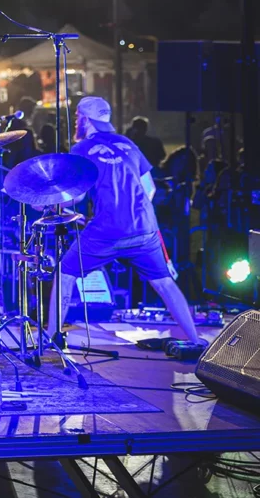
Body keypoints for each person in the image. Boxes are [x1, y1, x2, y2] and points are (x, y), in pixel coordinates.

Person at [48, 97, 201, 345]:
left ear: (84, 119)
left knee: (66, 272)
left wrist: (46, 201)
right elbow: (150, 189)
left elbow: (78, 196)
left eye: (77, 117)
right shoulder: (128, 144)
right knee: (165, 285)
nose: (76, 121)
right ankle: (195, 342)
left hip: (107, 230)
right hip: (144, 228)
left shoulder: (81, 150)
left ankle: (50, 338)